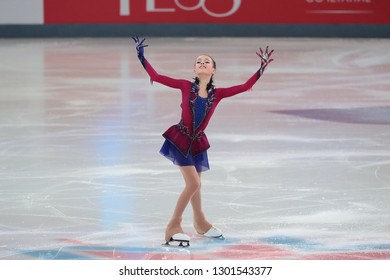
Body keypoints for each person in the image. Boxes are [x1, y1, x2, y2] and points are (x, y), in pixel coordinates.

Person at [131, 36, 273, 246]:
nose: (202, 63)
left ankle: (200, 223)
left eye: (206, 61)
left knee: (198, 185)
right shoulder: (185, 86)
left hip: (197, 142)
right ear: (195, 70)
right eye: (198, 61)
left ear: (213, 70)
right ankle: (173, 225)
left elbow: (244, 86)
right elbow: (157, 76)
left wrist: (261, 69)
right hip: (181, 139)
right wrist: (142, 58)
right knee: (193, 183)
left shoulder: (218, 94)